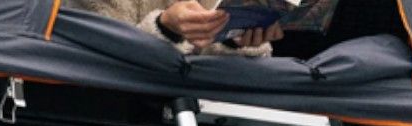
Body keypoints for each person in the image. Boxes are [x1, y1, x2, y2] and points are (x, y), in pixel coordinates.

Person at [74, 0, 282, 57]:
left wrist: (233, 39)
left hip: (208, 122)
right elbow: (109, 54)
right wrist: (165, 28)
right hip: (120, 119)